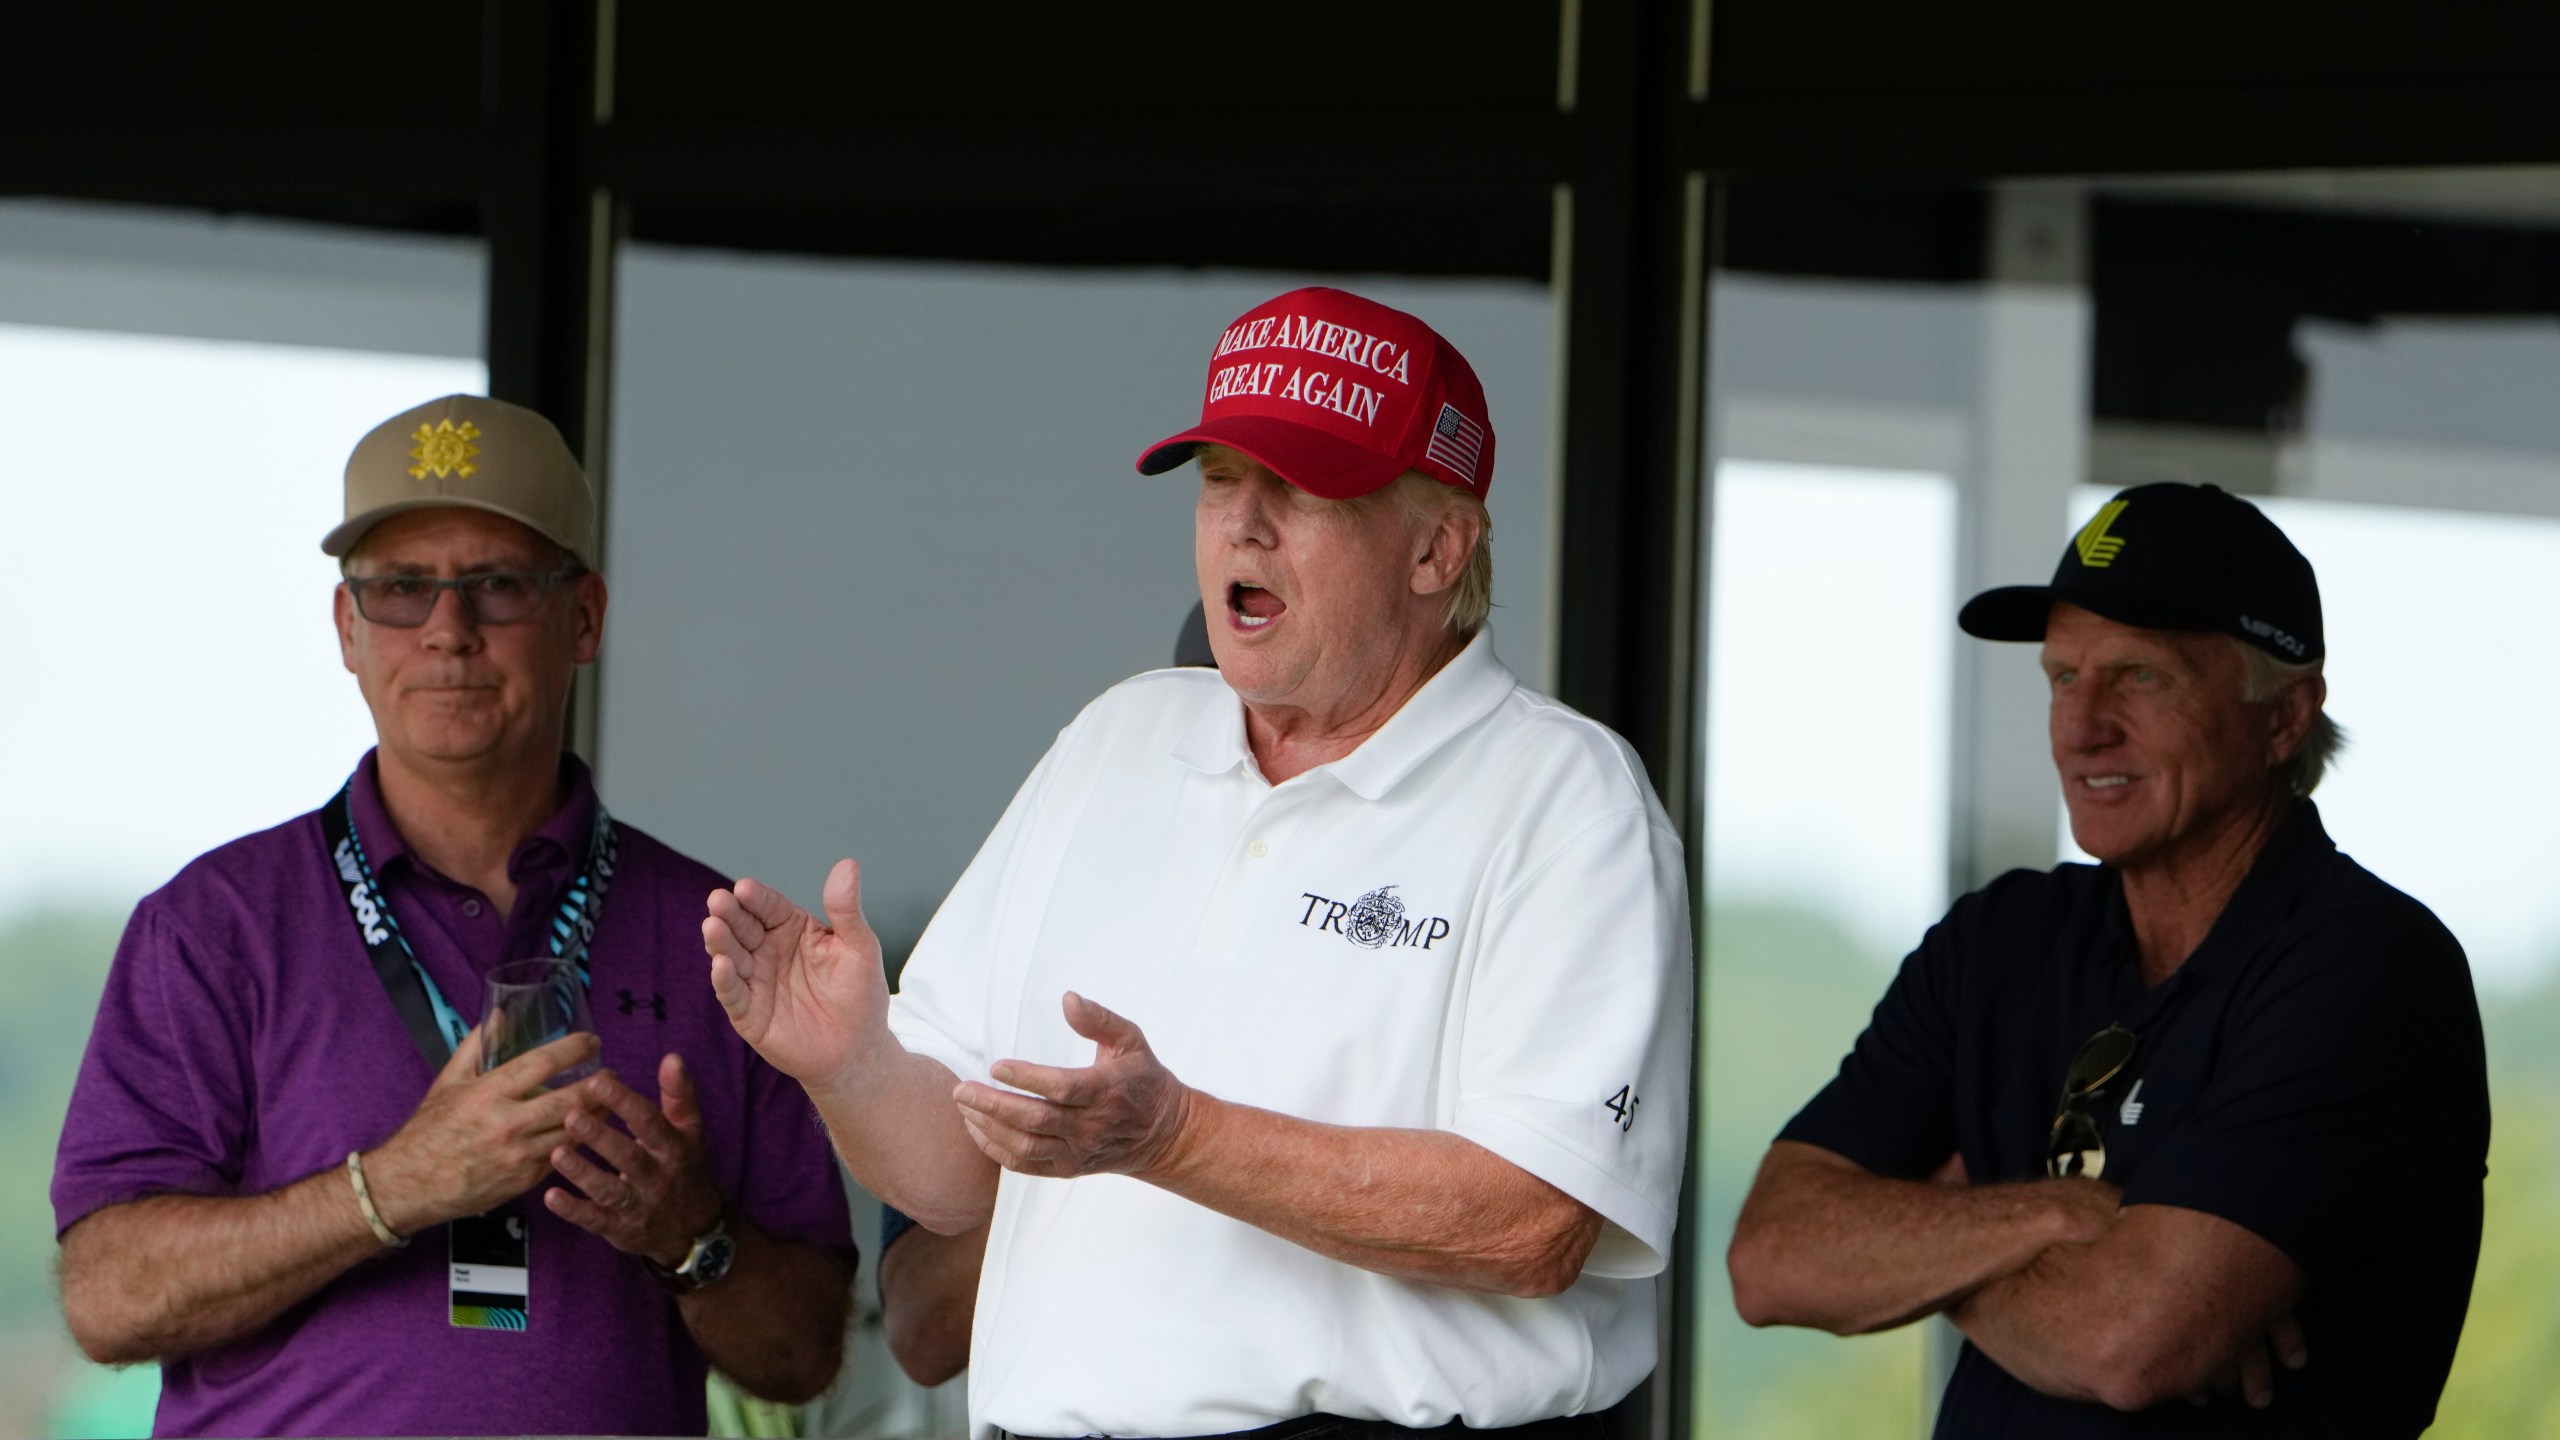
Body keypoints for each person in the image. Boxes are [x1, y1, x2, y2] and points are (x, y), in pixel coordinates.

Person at [705, 286, 1694, 1439]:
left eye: (1302, 485)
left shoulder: (1565, 798)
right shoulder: (1120, 736)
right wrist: (853, 1064)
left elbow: (1532, 1224)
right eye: (1220, 480)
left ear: (1436, 546)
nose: (1243, 524)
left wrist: (1173, 1136)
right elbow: (954, 1179)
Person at [52, 394, 856, 1437]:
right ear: (347, 628)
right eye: (400, 589)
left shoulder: (716, 933)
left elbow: (805, 1356)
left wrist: (690, 1234)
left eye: (499, 585)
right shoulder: (215, 925)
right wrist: (393, 1187)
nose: (448, 630)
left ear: (585, 618)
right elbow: (107, 1298)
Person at [1726, 482, 2489, 1437]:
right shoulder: (2000, 938)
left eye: (2140, 676)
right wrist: (2060, 1216)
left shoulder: (2365, 966)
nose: (2083, 726)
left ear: (2286, 717)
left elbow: (2129, 1343)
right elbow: (1771, 1257)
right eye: (2062, 677)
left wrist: (1928, 1231)